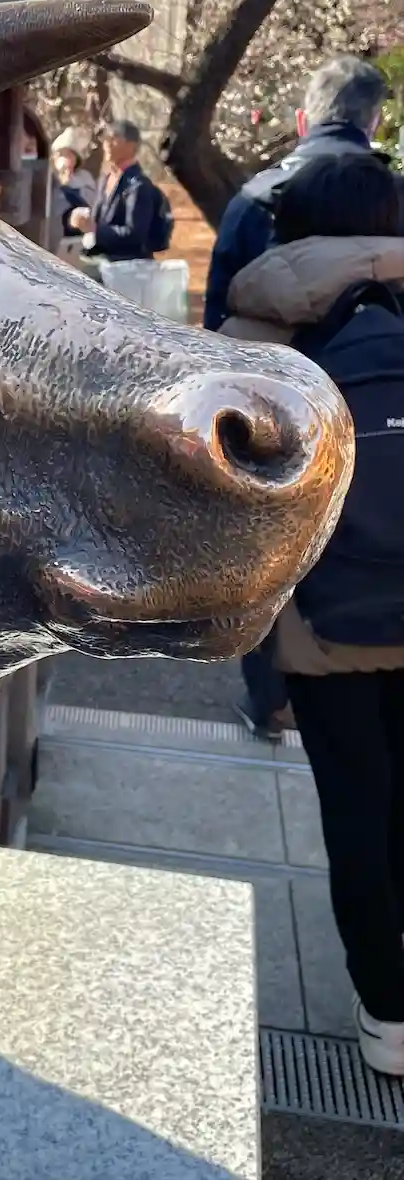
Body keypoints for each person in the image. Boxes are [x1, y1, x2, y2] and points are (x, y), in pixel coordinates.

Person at [219, 150, 404, 1075]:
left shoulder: (256, 329)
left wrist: (253, 655)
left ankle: (388, 1014)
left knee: (355, 806)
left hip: (322, 622)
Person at [203, 55, 388, 331]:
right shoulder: (395, 194)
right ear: (375, 123)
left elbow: (217, 314)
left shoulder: (252, 198)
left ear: (302, 121)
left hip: (265, 354)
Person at [66, 119, 164, 262]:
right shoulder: (106, 179)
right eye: (105, 138)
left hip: (127, 266)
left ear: (131, 146)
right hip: (102, 260)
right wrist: (83, 219)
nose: (107, 143)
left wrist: (95, 229)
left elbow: (134, 235)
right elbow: (102, 219)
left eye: (113, 138)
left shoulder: (138, 186)